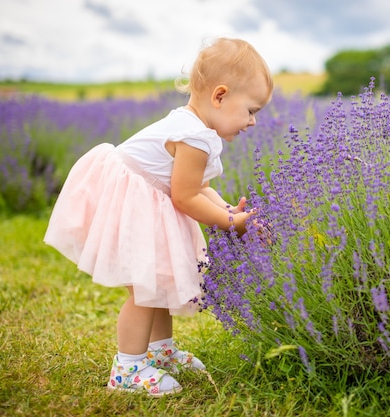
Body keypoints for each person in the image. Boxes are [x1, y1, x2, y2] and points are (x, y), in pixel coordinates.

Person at [44, 38, 273, 397]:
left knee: (158, 283)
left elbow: (200, 188)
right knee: (143, 289)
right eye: (250, 110)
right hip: (132, 204)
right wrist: (231, 224)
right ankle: (127, 369)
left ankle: (160, 352)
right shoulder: (194, 136)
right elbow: (184, 197)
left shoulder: (196, 127)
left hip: (144, 199)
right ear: (220, 96)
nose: (253, 122)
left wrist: (228, 209)